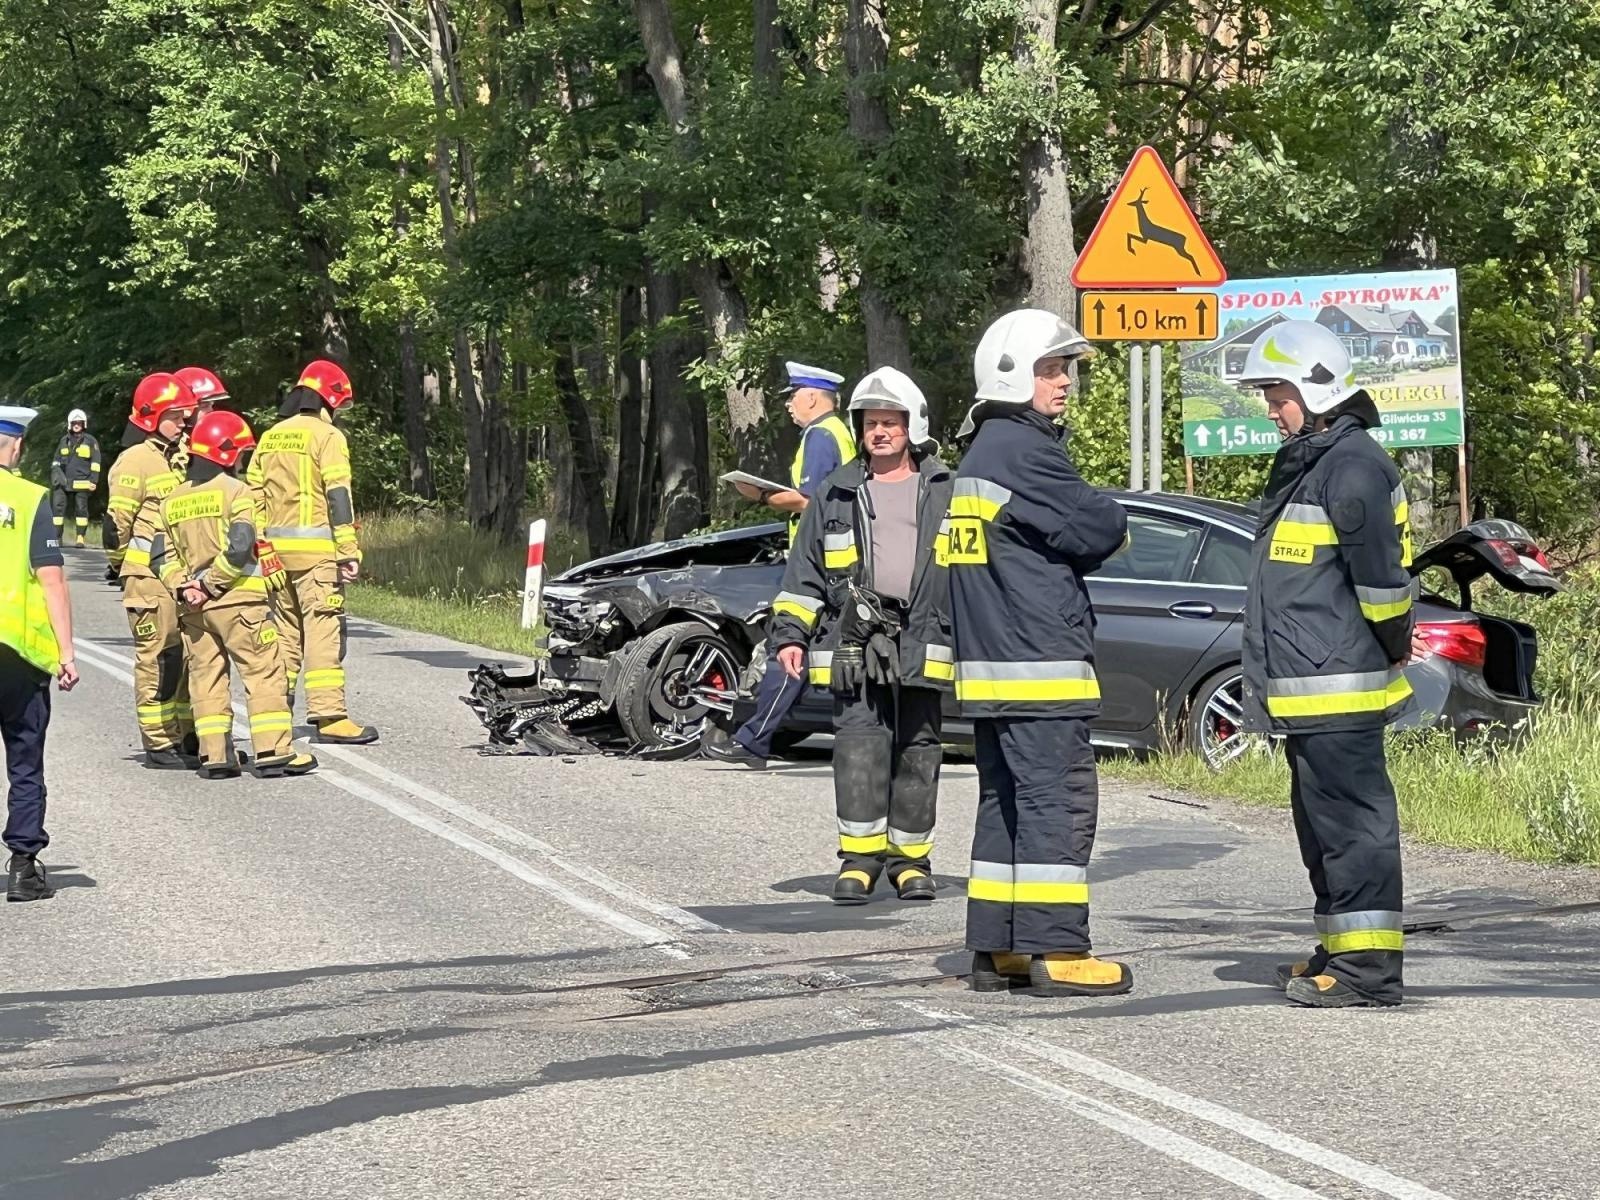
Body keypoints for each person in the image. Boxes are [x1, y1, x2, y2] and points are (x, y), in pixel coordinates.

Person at [946, 308, 1132, 997]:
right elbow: (1097, 528)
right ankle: (1058, 948)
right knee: (1057, 802)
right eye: (1051, 370)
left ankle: (1002, 947)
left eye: (1065, 370)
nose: (1064, 384)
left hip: (993, 668)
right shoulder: (1026, 450)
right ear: (1013, 376)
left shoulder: (981, 453)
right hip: (1039, 663)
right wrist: (1111, 515)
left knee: (1007, 803)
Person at [1236, 320, 1417, 1009]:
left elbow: (1380, 582)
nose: (1269, 406)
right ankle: (1341, 947)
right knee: (1325, 831)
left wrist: (1395, 636)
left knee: (1354, 831)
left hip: (1338, 688)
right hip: (1310, 692)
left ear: (1317, 387)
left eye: (1276, 391)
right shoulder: (1319, 461)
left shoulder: (1351, 467)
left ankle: (1368, 972)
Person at [766, 367, 954, 903]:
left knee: (919, 747)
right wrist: (791, 636)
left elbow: (971, 570)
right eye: (871, 423)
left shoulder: (945, 488)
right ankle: (860, 860)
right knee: (858, 747)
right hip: (852, 641)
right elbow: (804, 574)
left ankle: (911, 862)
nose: (880, 432)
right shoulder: (837, 490)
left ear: (911, 425)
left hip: (921, 636)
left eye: (890, 422)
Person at [704, 361, 857, 768]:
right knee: (802, 650)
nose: (789, 405)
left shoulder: (821, 435)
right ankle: (761, 737)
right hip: (831, 560)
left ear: (811, 397)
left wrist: (758, 495)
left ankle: (755, 740)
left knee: (789, 646)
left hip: (817, 563)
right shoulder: (839, 432)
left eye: (792, 396)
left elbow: (809, 500)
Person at [157, 411, 317, 780]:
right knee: (264, 673)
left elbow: (159, 556)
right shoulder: (237, 493)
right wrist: (211, 585)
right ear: (226, 453)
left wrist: (186, 586)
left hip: (194, 611)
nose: (243, 461)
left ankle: (215, 757)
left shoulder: (171, 500)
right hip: (238, 602)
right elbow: (241, 546)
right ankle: (274, 751)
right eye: (241, 453)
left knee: (206, 678)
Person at [247, 359, 378, 744]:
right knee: (323, 631)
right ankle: (330, 715)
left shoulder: (270, 437)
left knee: (286, 634)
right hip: (317, 555)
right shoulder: (328, 437)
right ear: (329, 401)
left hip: (274, 556)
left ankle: (277, 710)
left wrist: (262, 545)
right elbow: (338, 496)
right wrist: (348, 550)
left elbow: (252, 495)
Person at [0, 406, 79, 902]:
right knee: (24, 760)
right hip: (17, 656)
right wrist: (66, 652)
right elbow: (51, 579)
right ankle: (24, 868)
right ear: (17, 447)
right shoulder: (30, 500)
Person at [104, 373, 199, 768]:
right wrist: (124, 565)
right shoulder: (136, 460)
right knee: (157, 659)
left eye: (184, 416)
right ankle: (157, 743)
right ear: (151, 416)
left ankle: (179, 737)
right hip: (147, 579)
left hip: (173, 578)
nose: (183, 423)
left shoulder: (173, 458)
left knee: (179, 660)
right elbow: (115, 527)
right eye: (175, 416)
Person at [51, 409, 101, 548]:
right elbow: (56, 461)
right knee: (58, 509)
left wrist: (94, 480)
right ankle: (57, 538)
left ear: (83, 424)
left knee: (81, 509)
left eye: (79, 423)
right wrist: (56, 475)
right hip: (63, 482)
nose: (76, 425)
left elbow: (96, 462)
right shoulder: (64, 441)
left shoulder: (90, 441)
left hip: (82, 482)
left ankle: (80, 538)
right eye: (74, 423)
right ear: (70, 424)